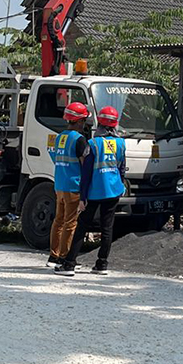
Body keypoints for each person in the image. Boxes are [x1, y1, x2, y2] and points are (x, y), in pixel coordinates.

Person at [56, 106, 126, 276]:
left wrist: (83, 197)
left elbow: (86, 173)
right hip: (113, 190)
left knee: (81, 226)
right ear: (115, 124)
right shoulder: (121, 143)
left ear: (100, 124)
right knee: (107, 228)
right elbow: (121, 168)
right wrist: (121, 186)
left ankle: (69, 264)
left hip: (95, 192)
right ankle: (102, 264)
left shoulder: (92, 144)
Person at [46, 102, 91, 267]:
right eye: (84, 120)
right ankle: (64, 257)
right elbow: (84, 163)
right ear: (79, 121)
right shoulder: (79, 140)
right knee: (70, 222)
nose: (84, 124)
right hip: (73, 185)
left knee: (58, 220)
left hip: (60, 184)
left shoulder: (60, 137)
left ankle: (53, 255)